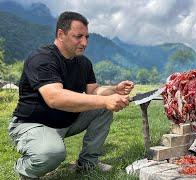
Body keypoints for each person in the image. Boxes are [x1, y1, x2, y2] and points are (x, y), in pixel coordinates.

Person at [8, 11, 134, 179]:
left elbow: (94, 91)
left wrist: (114, 90)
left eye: (87, 37)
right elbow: (55, 98)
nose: (84, 42)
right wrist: (105, 101)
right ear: (61, 34)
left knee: (102, 108)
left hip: (66, 121)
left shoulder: (83, 62)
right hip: (33, 124)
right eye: (78, 37)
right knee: (52, 154)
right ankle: (24, 169)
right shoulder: (41, 58)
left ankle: (88, 164)